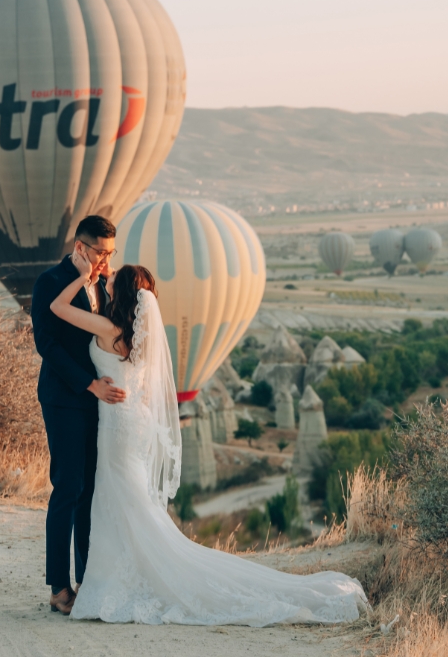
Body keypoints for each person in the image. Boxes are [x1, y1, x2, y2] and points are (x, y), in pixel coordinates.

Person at [49, 251, 368, 625]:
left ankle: (116, 578)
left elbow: (57, 307)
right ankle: (121, 573)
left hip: (117, 425)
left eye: (114, 275)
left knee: (116, 498)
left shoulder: (109, 330)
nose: (110, 273)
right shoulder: (137, 336)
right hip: (134, 421)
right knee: (127, 500)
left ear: (122, 293)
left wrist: (83, 275)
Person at [29, 215, 126, 615]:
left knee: (89, 491)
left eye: (111, 252)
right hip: (65, 398)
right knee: (67, 488)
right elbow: (46, 345)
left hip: (99, 401)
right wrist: (90, 385)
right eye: (101, 252)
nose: (106, 259)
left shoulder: (106, 285)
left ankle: (88, 578)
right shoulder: (50, 282)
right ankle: (58, 587)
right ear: (81, 248)